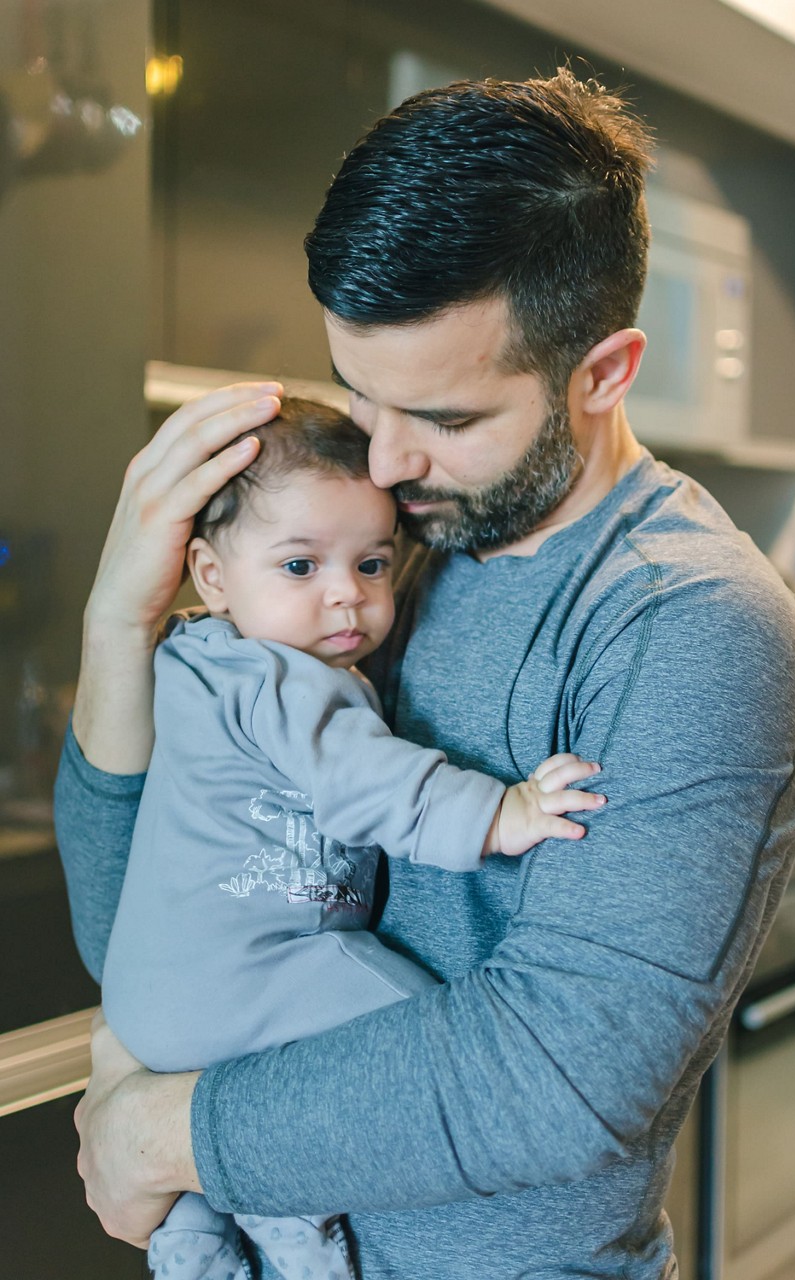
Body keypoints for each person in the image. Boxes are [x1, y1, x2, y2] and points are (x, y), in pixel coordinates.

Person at [56, 68, 795, 1280]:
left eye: (445, 417)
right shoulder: (376, 551)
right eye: (362, 395)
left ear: (602, 371)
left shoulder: (687, 624)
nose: (384, 458)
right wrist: (120, 618)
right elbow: (140, 927)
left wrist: (163, 1129)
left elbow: (561, 1071)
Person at [100, 397, 603, 1280]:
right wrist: (504, 812)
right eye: (300, 565)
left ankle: (191, 1236)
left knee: (262, 1084)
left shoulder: (194, 660)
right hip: (259, 969)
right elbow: (371, 784)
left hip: (153, 1002)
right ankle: (299, 1230)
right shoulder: (285, 679)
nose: (347, 594)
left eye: (372, 563)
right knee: (434, 1043)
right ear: (212, 575)